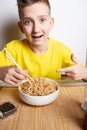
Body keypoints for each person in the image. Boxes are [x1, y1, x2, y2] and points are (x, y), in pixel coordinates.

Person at [0, 0, 86, 85]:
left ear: (51, 23)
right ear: (21, 27)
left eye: (42, 20)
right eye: (28, 22)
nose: (36, 29)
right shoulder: (12, 49)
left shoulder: (61, 50)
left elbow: (80, 72)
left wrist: (85, 73)